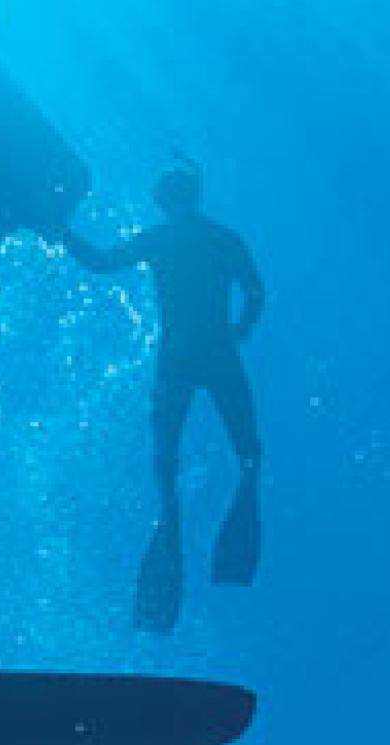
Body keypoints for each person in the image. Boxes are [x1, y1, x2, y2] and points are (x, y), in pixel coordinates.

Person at [64, 160, 265, 633]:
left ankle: (169, 512)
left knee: (167, 456)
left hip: (178, 356)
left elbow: (101, 262)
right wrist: (241, 329)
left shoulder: (160, 238)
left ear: (164, 200)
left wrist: (60, 231)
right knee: (250, 454)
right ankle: (232, 497)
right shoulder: (222, 237)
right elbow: (256, 292)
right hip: (219, 352)